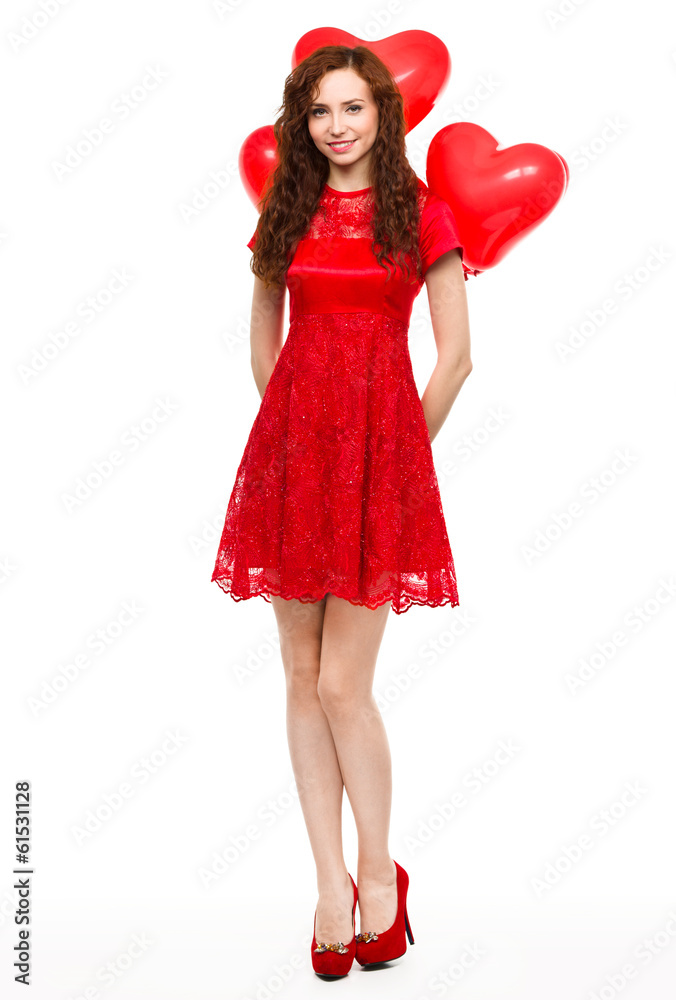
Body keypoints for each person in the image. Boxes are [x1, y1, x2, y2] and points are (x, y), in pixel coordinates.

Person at [211, 45, 472, 977]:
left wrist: (394, 462)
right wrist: (297, 437)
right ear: (304, 121)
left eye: (353, 107)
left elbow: (455, 358)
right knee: (298, 674)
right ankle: (330, 888)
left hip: (379, 469)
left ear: (382, 114)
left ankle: (378, 874)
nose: (337, 126)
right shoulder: (286, 206)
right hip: (296, 464)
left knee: (341, 686)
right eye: (320, 111)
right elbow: (263, 335)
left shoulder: (421, 211)